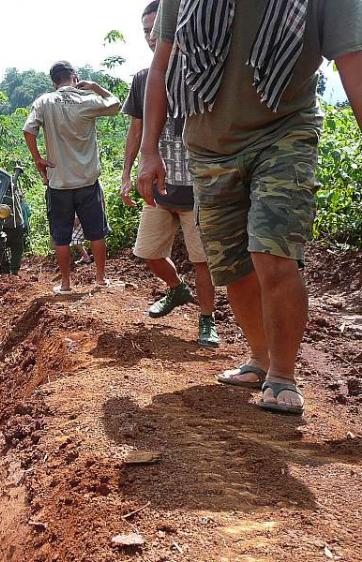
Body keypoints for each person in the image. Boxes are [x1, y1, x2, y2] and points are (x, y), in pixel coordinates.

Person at [138, 0, 362, 415]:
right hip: (208, 149)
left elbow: (353, 64)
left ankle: (283, 374)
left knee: (272, 251)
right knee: (231, 265)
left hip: (285, 134)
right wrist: (149, 150)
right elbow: (160, 66)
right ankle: (259, 359)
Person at [121, 0, 219, 348]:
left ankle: (207, 321)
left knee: (202, 262)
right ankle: (177, 290)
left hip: (199, 190)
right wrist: (126, 175)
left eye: (156, 29)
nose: (151, 37)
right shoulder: (144, 80)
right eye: (146, 31)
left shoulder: (203, 73)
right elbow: (135, 131)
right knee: (148, 252)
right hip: (159, 187)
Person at [23, 61, 121, 294]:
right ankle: (100, 279)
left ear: (53, 82)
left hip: (58, 183)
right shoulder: (86, 99)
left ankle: (66, 284)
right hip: (87, 181)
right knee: (96, 232)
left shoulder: (44, 101)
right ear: (74, 78)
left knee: (62, 236)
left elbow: (28, 130)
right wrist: (95, 86)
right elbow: (116, 104)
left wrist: (38, 159)